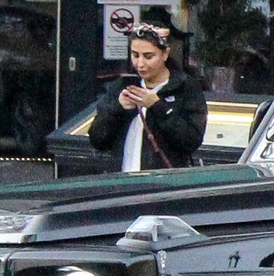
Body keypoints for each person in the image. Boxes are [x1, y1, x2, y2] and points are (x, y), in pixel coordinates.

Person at [88, 25, 206, 173]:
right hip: (122, 180)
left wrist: (157, 106)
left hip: (163, 184)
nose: (140, 64)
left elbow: (191, 140)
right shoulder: (123, 85)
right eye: (135, 55)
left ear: (165, 54)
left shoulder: (185, 87)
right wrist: (117, 108)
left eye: (148, 56)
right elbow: (97, 140)